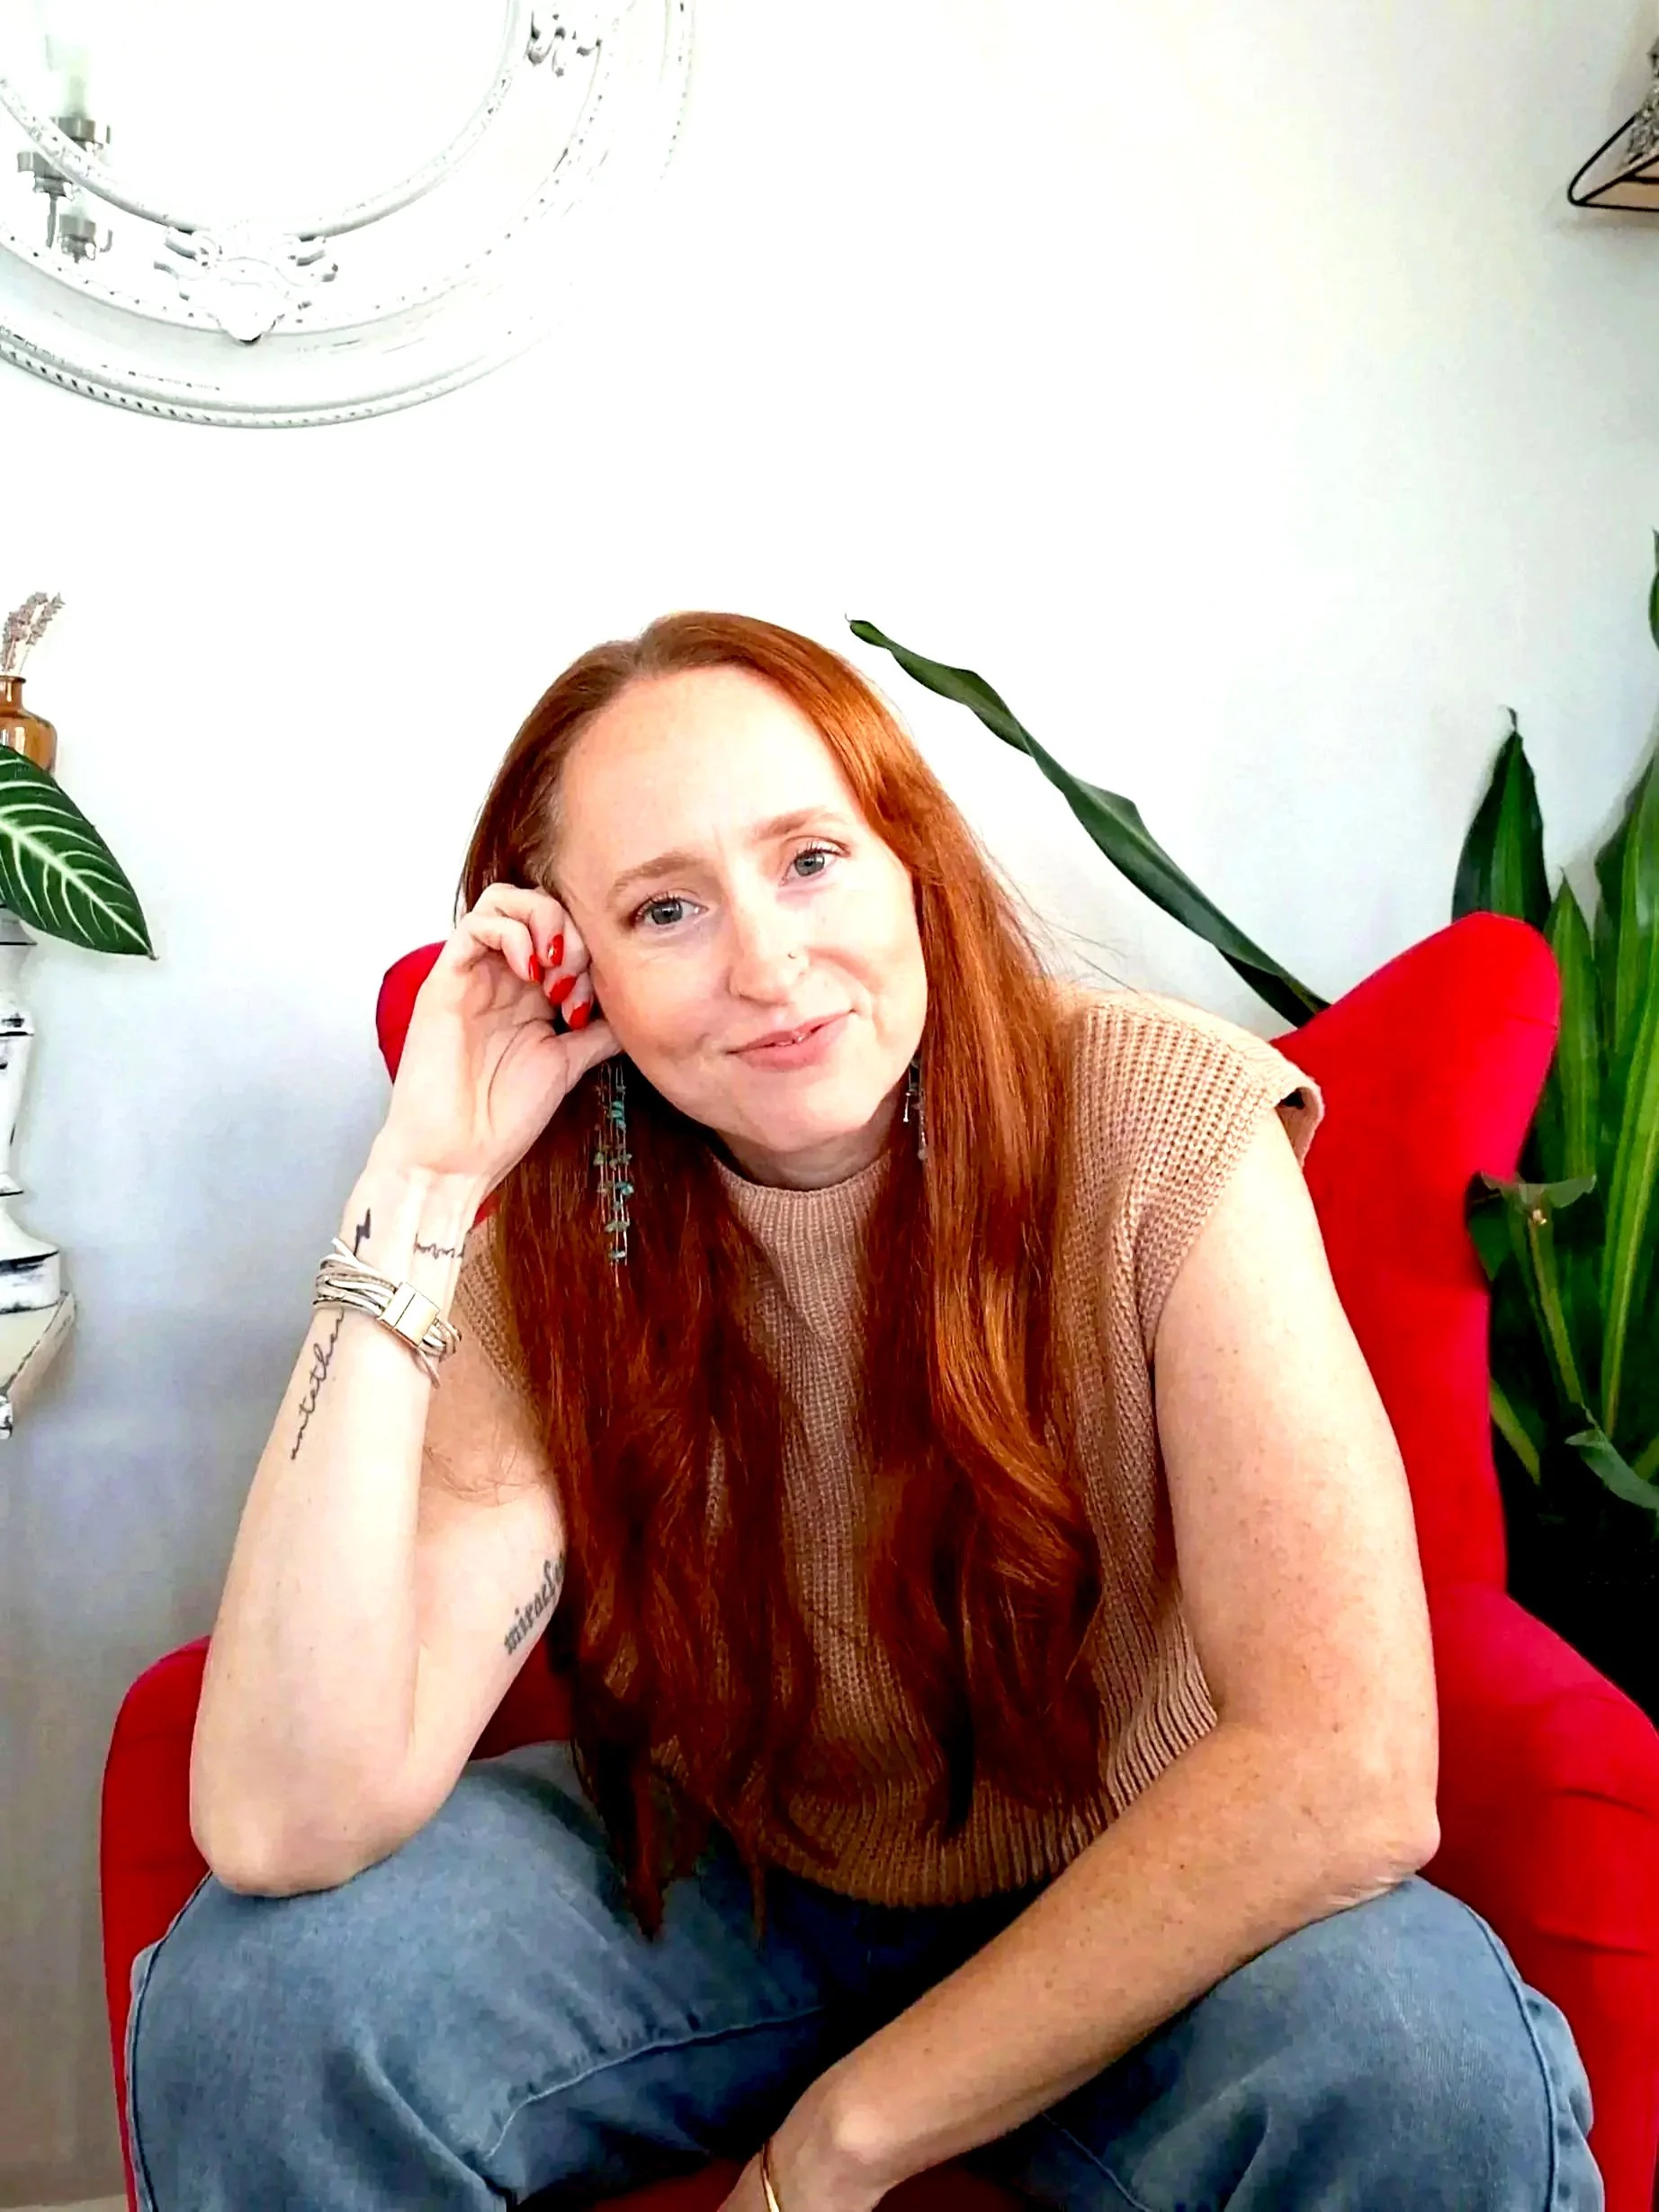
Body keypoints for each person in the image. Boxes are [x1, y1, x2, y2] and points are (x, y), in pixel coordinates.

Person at [125, 613, 1601, 2211]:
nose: (767, 966)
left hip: (1146, 1884)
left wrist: (842, 2139)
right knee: (260, 2005)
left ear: (912, 863)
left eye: (811, 859)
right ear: (576, 965)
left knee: (1430, 2056)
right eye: (667, 908)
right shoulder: (561, 1239)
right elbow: (283, 1819)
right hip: (736, 1890)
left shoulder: (1161, 1119)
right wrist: (422, 1180)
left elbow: (1344, 1764)